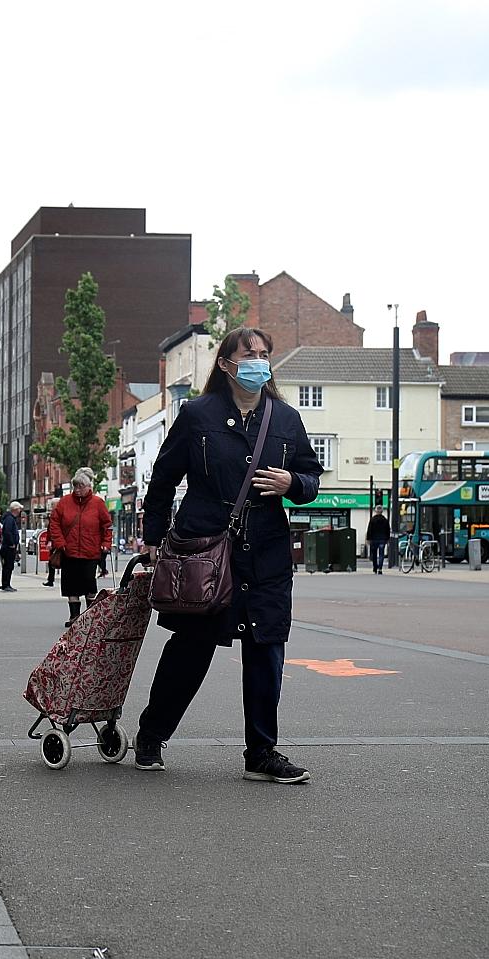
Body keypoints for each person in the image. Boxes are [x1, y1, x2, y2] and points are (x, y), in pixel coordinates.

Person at [133, 327, 323, 785]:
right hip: (205, 552)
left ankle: (262, 752)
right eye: (248, 354)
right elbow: (161, 481)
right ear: (225, 364)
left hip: (268, 555)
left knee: (267, 650)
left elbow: (311, 478)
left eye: (264, 354)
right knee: (191, 649)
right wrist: (153, 538)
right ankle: (151, 734)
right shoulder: (198, 415)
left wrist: (291, 485)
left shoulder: (286, 419)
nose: (258, 362)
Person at [46, 468, 112, 627]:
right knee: (71, 586)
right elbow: (54, 523)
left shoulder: (98, 503)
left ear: (89, 487)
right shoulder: (64, 502)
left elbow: (107, 525)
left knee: (89, 583)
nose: (78, 490)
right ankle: (74, 616)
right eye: (75, 486)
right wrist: (60, 542)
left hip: (91, 551)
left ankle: (89, 617)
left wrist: (106, 543)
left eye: (81, 487)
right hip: (69, 552)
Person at [0, 501, 22, 592]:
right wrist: (11, 543)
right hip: (8, 547)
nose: (20, 511)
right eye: (19, 509)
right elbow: (7, 532)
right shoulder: (10, 519)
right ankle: (6, 584)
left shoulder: (10, 518)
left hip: (9, 546)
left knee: (9, 566)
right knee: (8, 566)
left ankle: (7, 584)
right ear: (15, 509)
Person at [366, 509, 391, 574]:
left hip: (374, 539)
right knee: (381, 554)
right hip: (382, 539)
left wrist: (368, 539)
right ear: (382, 511)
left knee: (374, 554)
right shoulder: (385, 520)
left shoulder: (372, 519)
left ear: (376, 511)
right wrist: (388, 539)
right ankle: (380, 568)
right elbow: (388, 530)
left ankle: (375, 568)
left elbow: (369, 529)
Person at [41, 497, 59, 587]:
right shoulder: (54, 514)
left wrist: (51, 541)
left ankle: (51, 579)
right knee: (53, 561)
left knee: (55, 560)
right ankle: (50, 579)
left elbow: (53, 529)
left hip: (57, 542)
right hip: (55, 541)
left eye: (52, 504)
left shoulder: (57, 514)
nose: (51, 506)